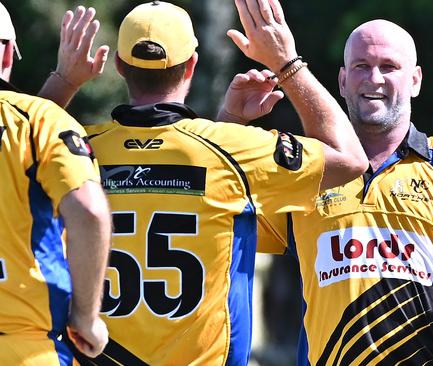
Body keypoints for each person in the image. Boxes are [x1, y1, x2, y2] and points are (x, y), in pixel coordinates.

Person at [64, 1, 366, 365]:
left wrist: (64, 81)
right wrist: (287, 64)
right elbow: (349, 160)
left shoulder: (79, 147)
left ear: (118, 66)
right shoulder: (230, 149)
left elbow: (13, 159)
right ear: (192, 64)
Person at [253, 19, 433, 365]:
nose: (374, 79)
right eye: (361, 66)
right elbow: (220, 213)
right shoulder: (306, 172)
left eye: (389, 67)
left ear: (415, 81)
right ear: (342, 81)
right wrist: (230, 116)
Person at [0, 2, 111, 364]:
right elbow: (90, 212)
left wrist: (63, 82)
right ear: (5, 52)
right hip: (25, 348)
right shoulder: (38, 121)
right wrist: (86, 316)